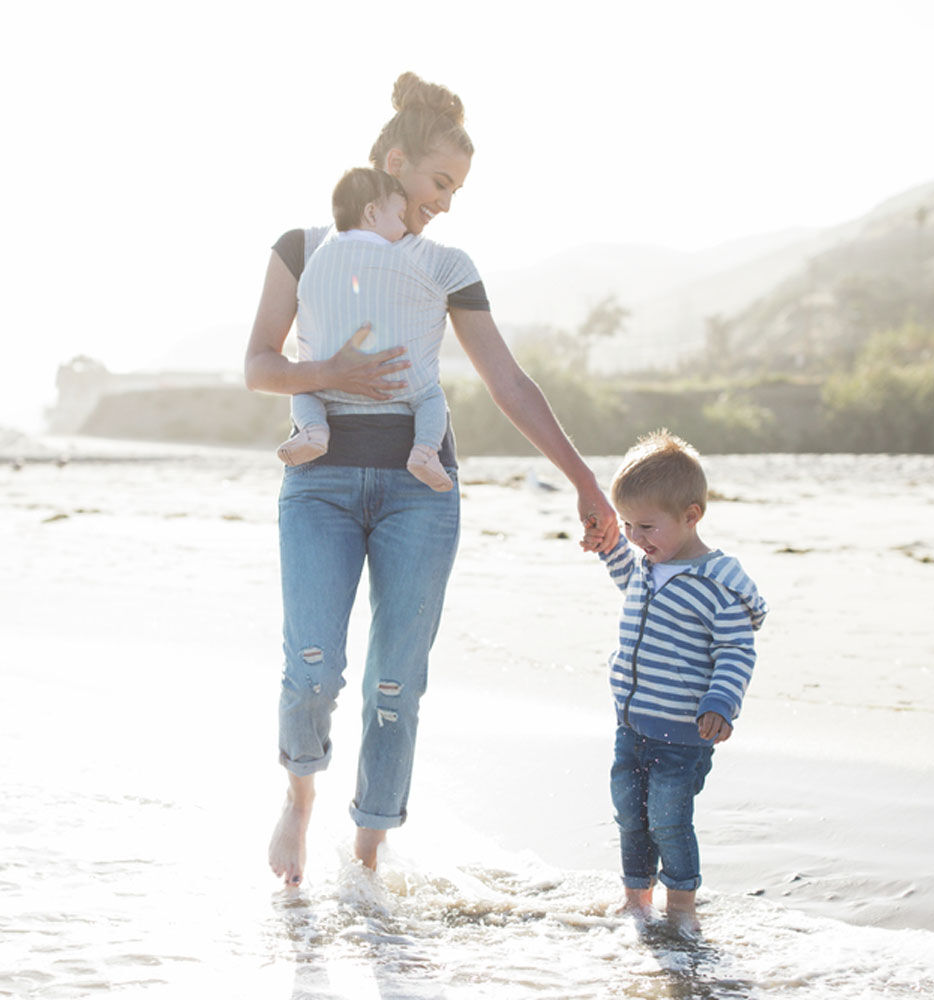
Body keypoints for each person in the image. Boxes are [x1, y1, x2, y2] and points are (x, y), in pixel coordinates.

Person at [245, 72, 618, 888]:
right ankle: (300, 796)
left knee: (394, 682)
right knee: (312, 666)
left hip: (422, 491)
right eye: (439, 181)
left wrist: (586, 483)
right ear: (393, 162)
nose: (447, 201)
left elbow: (509, 384)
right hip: (321, 486)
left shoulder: (447, 264)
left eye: (457, 188)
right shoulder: (302, 247)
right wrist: (333, 368)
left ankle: (369, 859)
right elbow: (258, 365)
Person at [591, 429, 767, 934]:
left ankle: (683, 908)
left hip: (683, 732)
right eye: (626, 525)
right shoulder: (649, 566)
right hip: (632, 723)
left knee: (669, 817)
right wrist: (607, 544)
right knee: (629, 812)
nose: (636, 539)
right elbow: (625, 571)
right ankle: (636, 900)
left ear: (692, 516)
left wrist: (721, 701)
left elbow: (736, 649)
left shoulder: (716, 584)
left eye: (646, 526)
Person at [277, 167, 455, 493]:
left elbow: (309, 306)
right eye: (400, 216)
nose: (405, 227)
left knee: (302, 387)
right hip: (395, 375)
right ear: (372, 213)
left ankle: (314, 432)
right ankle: (425, 453)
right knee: (432, 397)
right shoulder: (398, 257)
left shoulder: (316, 258)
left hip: (327, 378)